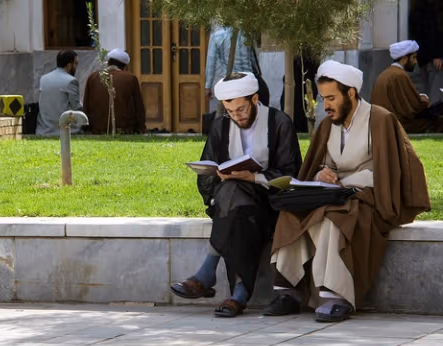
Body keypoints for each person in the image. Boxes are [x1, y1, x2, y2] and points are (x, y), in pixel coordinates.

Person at [263, 60, 431, 323]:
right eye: (323, 99)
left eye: (331, 98)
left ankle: (336, 296)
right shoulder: (329, 124)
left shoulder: (380, 119)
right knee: (291, 212)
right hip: (331, 194)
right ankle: (289, 292)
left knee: (333, 219)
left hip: (369, 195)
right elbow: (321, 163)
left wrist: (346, 182)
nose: (325, 106)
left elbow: (388, 171)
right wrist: (321, 174)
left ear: (350, 93)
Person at [170, 72, 302, 318]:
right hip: (232, 203)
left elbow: (291, 174)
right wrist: (220, 178)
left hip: (270, 203)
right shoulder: (221, 125)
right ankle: (238, 295)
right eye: (230, 111)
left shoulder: (279, 122)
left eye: (241, 109)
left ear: (254, 99)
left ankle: (207, 276)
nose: (236, 116)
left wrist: (253, 178)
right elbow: (207, 171)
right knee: (234, 201)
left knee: (235, 202)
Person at [371, 40, 443, 133]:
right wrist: (425, 99)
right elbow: (413, 107)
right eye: (413, 58)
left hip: (384, 121)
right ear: (404, 59)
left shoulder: (388, 73)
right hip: (397, 123)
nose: (415, 62)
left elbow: (403, 100)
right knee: (438, 121)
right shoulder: (399, 75)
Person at [83, 49, 146, 134]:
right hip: (125, 129)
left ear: (108, 62)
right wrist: (141, 129)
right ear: (125, 66)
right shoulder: (130, 78)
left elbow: (86, 106)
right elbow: (139, 107)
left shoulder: (93, 77)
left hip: (97, 129)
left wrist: (86, 129)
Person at [205, 27, 270, 107]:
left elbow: (211, 63)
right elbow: (252, 58)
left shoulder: (216, 36)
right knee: (251, 109)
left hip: (230, 82)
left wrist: (208, 86)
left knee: (233, 111)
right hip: (248, 80)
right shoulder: (247, 34)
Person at [36, 50, 82, 136]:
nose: (76, 67)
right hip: (66, 130)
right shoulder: (71, 81)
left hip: (43, 130)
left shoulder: (43, 79)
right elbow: (76, 109)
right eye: (76, 64)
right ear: (69, 65)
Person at [409, 0, 443, 103]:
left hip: (423, 58)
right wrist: (436, 56)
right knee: (434, 94)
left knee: (429, 92)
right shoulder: (428, 11)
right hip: (431, 60)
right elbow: (430, 34)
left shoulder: (418, 10)